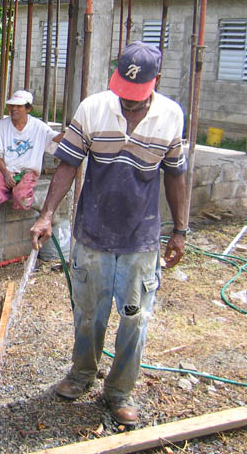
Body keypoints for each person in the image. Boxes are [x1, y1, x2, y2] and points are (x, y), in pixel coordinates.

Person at [29, 41, 187, 426]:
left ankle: (119, 390)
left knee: (134, 318)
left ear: (156, 83)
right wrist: (47, 214)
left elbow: (177, 174)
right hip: (93, 233)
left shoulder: (171, 116)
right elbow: (68, 164)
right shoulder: (93, 108)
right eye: (123, 96)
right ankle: (82, 373)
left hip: (141, 238)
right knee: (88, 313)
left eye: (135, 100)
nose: (127, 105)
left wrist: (181, 230)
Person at [0, 89, 64, 260]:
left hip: (28, 171)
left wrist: (75, 133)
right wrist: (6, 173)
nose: (13, 110)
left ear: (28, 109)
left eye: (18, 107)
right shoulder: (1, 126)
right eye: (11, 106)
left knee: (21, 195)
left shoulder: (38, 127)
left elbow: (56, 139)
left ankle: (44, 209)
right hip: (5, 168)